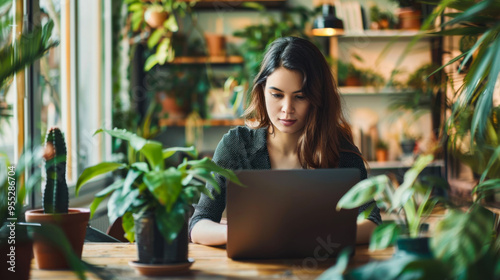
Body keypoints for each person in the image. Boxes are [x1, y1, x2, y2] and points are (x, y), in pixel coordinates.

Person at [189, 36, 381, 246]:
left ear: (318, 98)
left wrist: (319, 236)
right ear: (262, 92)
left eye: (300, 96)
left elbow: (372, 222)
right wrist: (244, 233)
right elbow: (199, 224)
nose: (287, 109)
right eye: (277, 95)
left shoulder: (338, 147)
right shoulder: (237, 145)